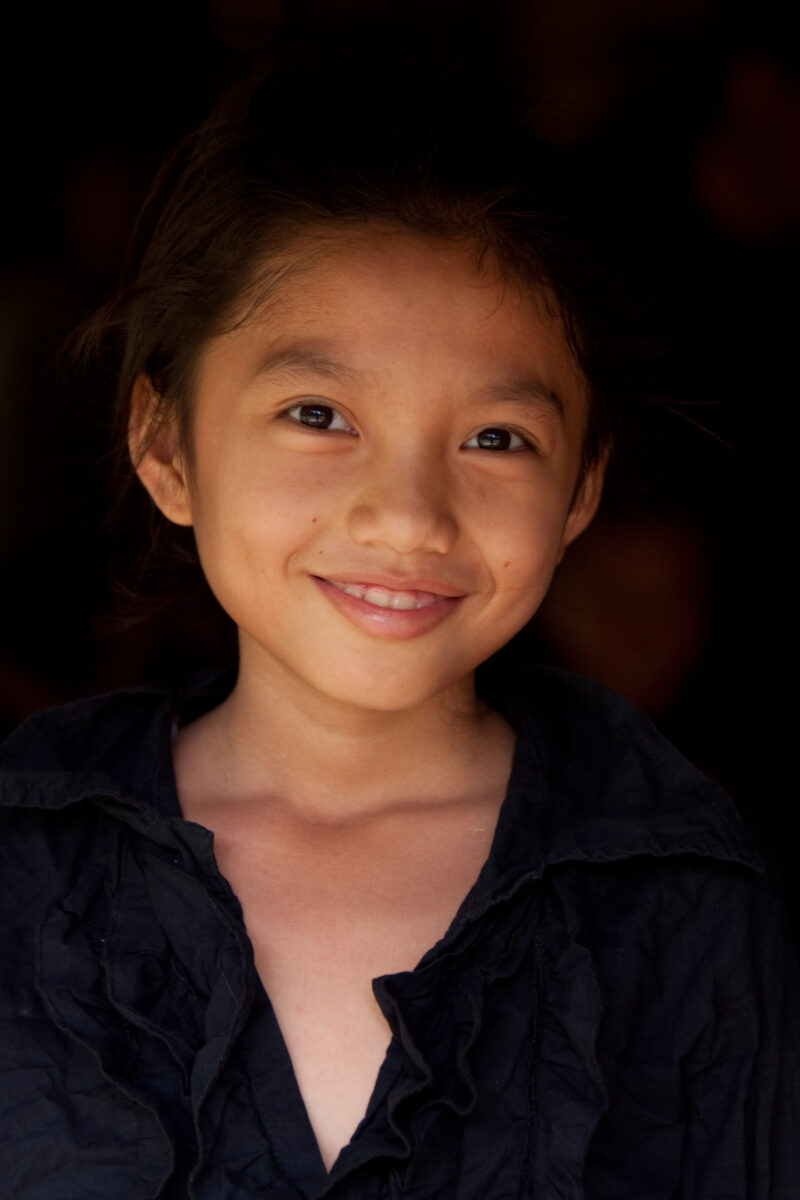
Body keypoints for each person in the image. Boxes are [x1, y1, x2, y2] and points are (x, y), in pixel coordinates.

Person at [0, 63, 797, 1199]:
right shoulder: (23, 852)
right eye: (317, 415)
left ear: (578, 490)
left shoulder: (681, 892)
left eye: (496, 438)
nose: (408, 516)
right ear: (168, 446)